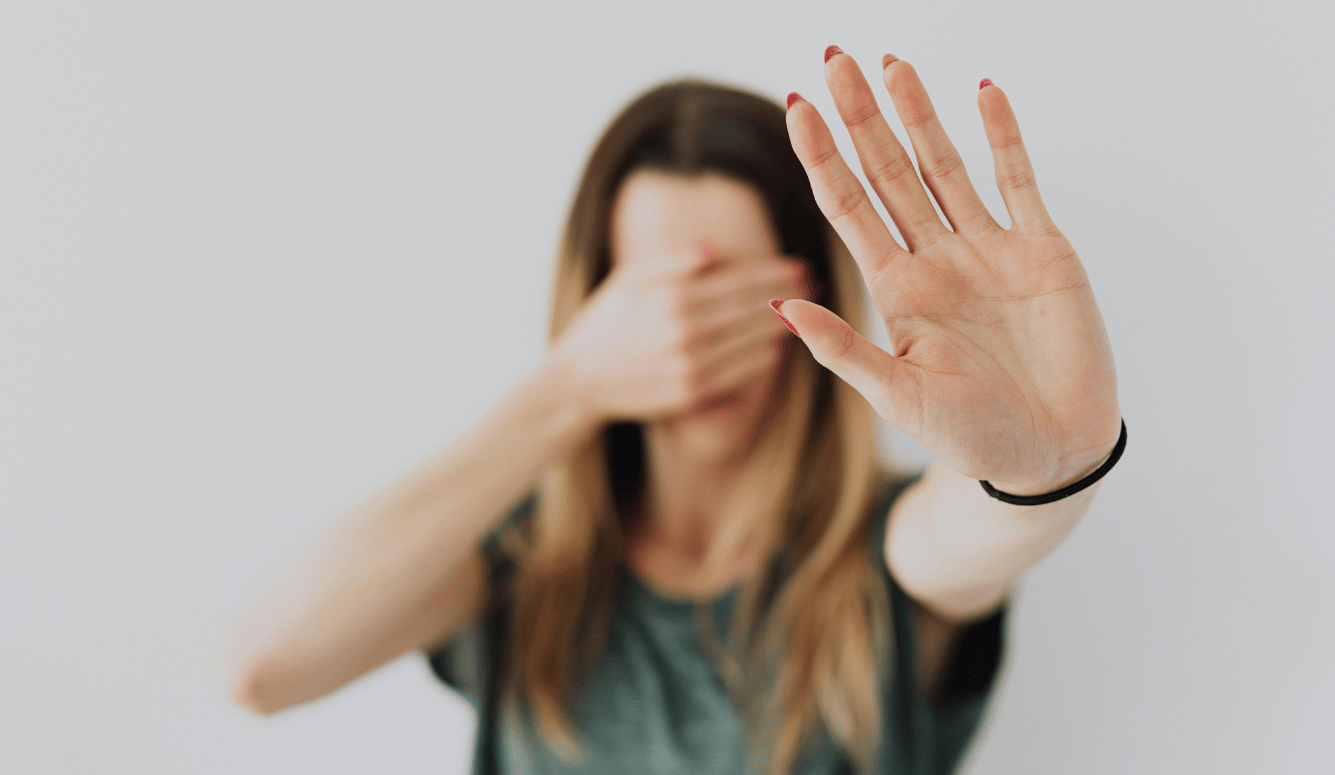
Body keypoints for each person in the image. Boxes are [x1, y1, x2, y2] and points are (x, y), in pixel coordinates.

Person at [218, 46, 1122, 775]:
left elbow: (977, 532)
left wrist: (1047, 466)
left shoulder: (877, 556)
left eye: (740, 297)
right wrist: (565, 385)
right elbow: (263, 666)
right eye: (658, 301)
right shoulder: (520, 561)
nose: (694, 343)